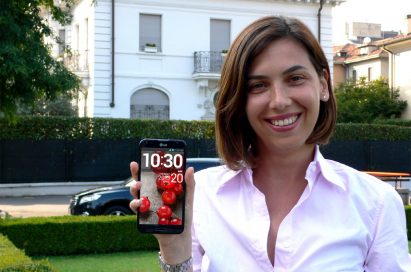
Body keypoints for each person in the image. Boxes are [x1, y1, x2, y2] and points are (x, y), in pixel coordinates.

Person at [130, 16, 411, 271]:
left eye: (295, 78)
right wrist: (174, 249)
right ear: (239, 100)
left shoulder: (376, 204)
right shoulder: (200, 196)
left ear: (323, 84)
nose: (279, 100)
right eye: (258, 86)